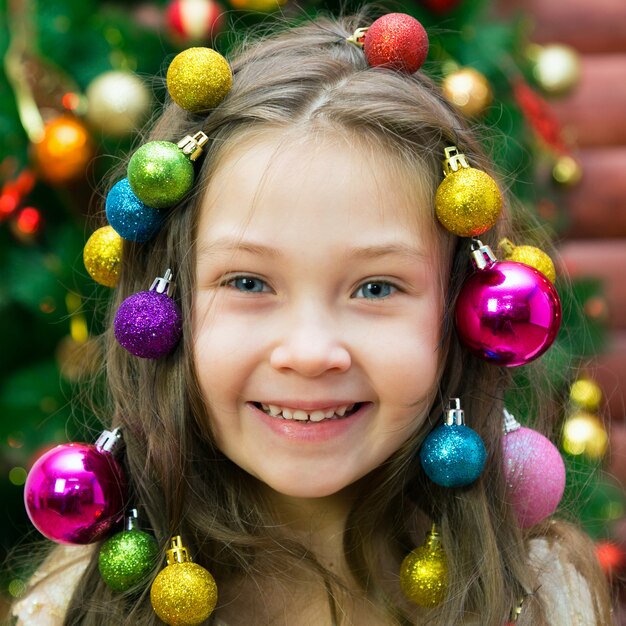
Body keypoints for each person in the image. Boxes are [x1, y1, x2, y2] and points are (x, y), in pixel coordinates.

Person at [12, 9, 613, 626]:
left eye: (376, 288)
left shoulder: (539, 598)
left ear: (460, 310)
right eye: (248, 282)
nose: (308, 350)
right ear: (168, 310)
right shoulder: (71, 608)